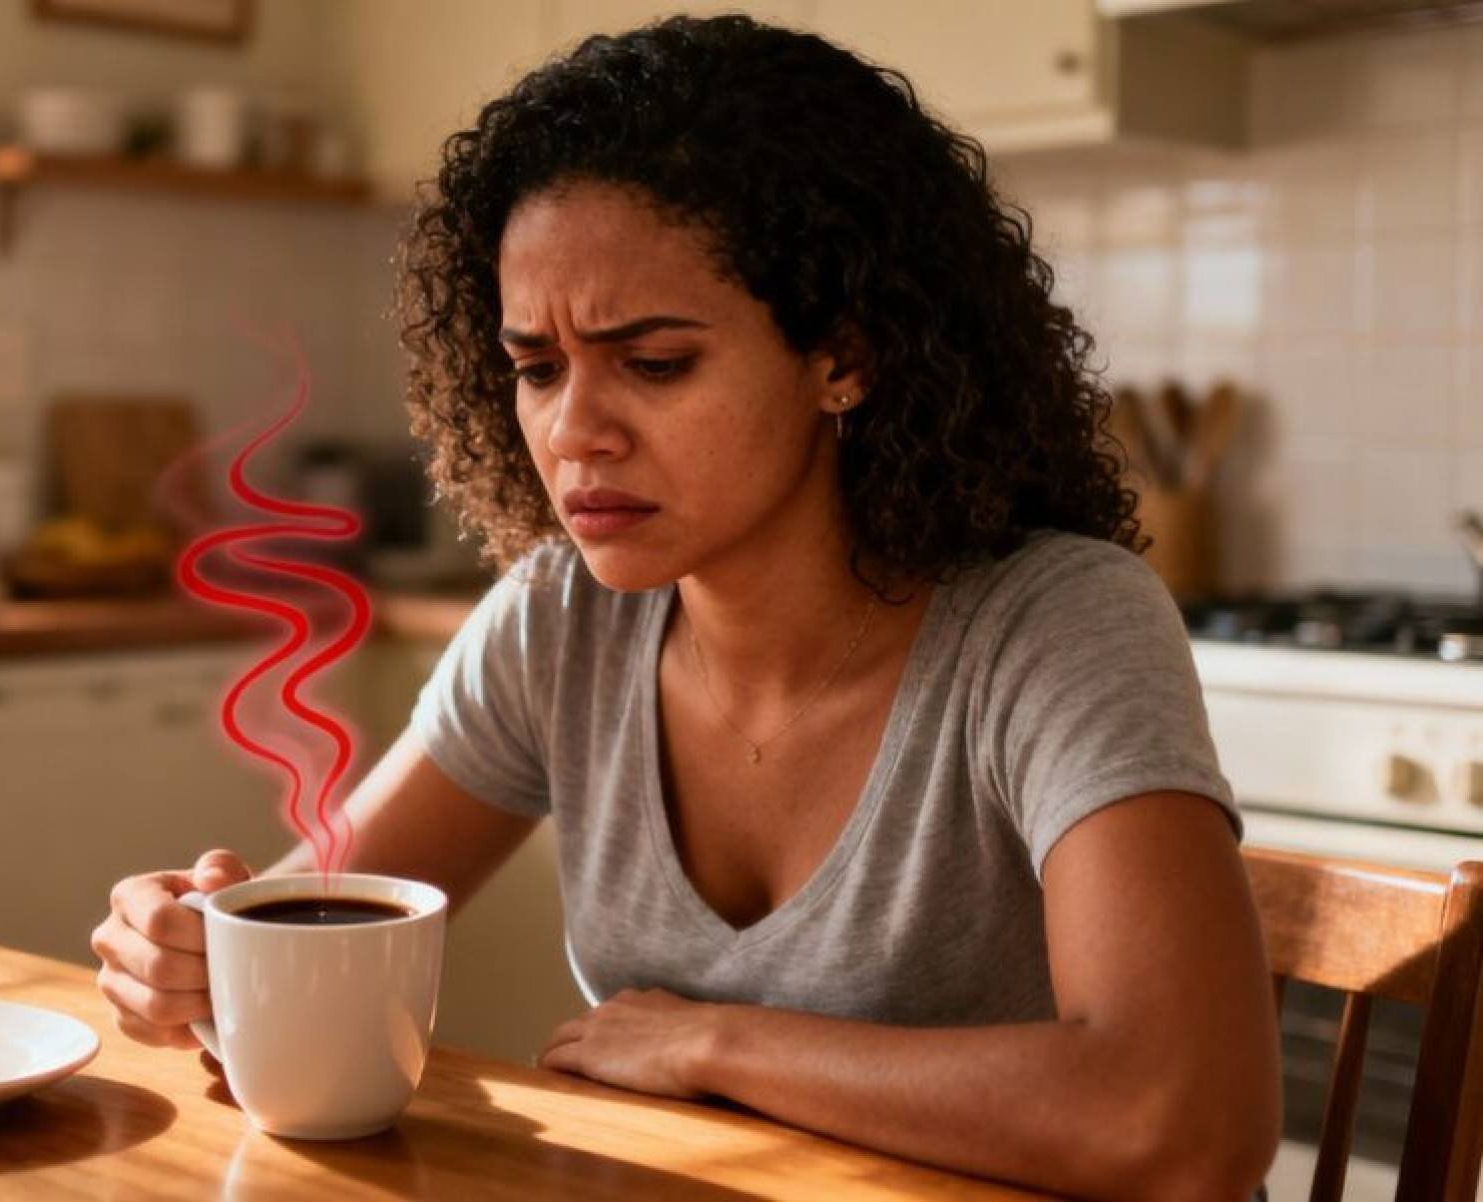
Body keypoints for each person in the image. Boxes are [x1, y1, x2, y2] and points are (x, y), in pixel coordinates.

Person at [92, 15, 1279, 1199]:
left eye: (654, 363)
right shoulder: (561, 619)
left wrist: (715, 1038)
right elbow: (319, 922)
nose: (573, 433)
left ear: (844, 356)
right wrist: (193, 953)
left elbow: (1184, 1121)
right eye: (537, 368)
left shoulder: (1055, 625)